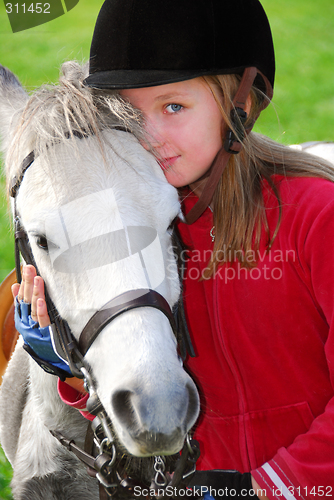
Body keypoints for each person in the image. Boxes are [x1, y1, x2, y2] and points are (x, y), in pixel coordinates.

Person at [12, 0, 334, 498]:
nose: (149, 137)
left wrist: (273, 487)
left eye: (173, 107)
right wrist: (69, 364)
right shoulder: (139, 222)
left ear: (240, 107)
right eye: (128, 113)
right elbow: (139, 381)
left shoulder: (318, 216)